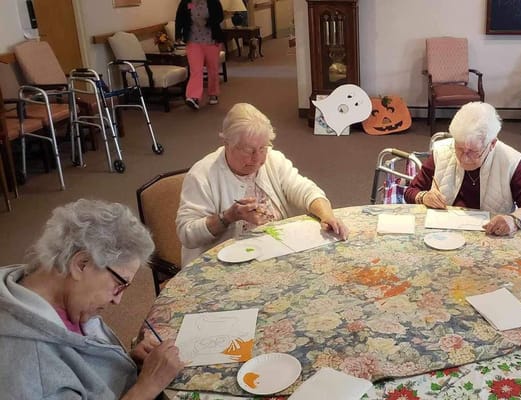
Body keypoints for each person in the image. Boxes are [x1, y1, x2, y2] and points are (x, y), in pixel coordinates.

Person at [0, 199, 185, 399]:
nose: (118, 300)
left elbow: (85, 373)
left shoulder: (58, 296)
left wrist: (123, 363)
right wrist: (146, 387)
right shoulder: (29, 367)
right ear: (82, 263)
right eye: (119, 284)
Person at [177, 103, 349, 266]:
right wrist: (228, 217)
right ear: (227, 144)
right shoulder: (202, 175)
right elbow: (187, 233)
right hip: (222, 265)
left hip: (272, 253)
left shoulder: (274, 159)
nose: (257, 158)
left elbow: (305, 190)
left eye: (263, 148)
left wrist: (327, 215)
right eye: (248, 150)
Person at [404, 102, 521, 236]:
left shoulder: (510, 161)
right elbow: (411, 191)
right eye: (459, 148)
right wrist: (424, 197)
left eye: (473, 152)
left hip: (491, 237)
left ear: (492, 144)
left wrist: (514, 220)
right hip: (446, 235)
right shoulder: (442, 151)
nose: (464, 158)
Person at [176, 0, 225, 110]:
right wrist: (178, 35)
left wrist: (209, 22)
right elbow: (179, 18)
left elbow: (220, 16)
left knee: (212, 69)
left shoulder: (213, 2)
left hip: (211, 40)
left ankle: (213, 93)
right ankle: (193, 97)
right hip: (193, 41)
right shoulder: (185, 2)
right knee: (196, 69)